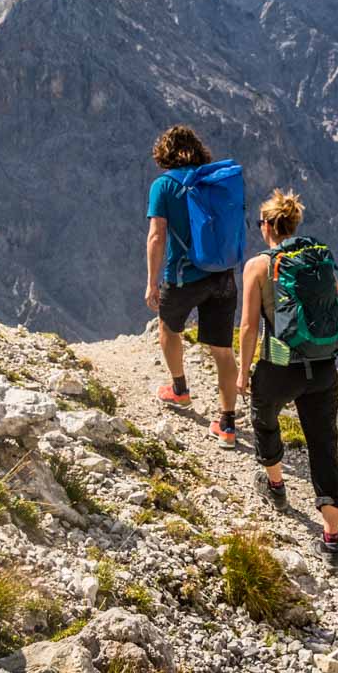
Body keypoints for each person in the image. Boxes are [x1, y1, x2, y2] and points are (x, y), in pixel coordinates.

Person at [235, 189, 338, 565]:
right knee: (323, 445)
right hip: (323, 368)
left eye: (260, 222)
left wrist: (243, 373)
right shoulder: (317, 257)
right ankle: (331, 540)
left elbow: (248, 327)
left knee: (264, 418)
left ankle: (275, 485)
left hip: (280, 366)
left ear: (268, 226)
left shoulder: (258, 266)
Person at [144, 125, 240, 441]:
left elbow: (157, 236)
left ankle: (180, 389)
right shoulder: (215, 180)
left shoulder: (164, 186)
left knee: (168, 328)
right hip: (222, 274)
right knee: (223, 351)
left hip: (184, 275)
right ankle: (227, 424)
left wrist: (152, 282)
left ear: (164, 155)